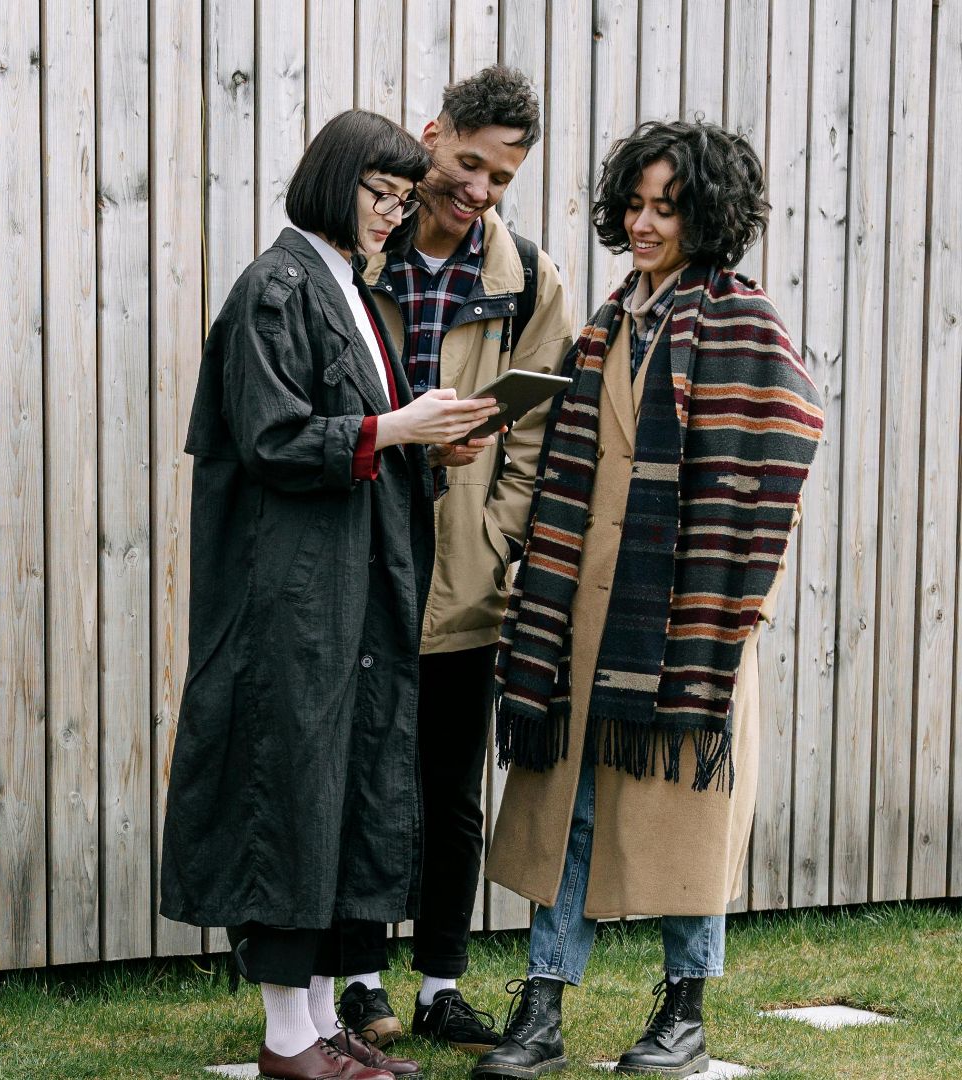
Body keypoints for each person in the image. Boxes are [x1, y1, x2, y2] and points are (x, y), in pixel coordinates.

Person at [473, 120, 825, 1079]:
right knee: (571, 813)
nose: (642, 222)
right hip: (584, 623)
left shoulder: (739, 321)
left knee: (686, 820)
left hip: (689, 628)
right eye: (633, 203)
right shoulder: (606, 325)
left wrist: (729, 595)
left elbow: (782, 447)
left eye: (665, 207)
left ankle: (684, 1014)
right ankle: (541, 1007)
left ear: (706, 215)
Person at [158, 108, 501, 1080]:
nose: (394, 213)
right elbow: (273, 437)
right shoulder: (276, 286)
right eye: (380, 193)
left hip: (344, 603)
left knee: (330, 806)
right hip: (287, 604)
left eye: (404, 198)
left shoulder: (346, 285)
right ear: (333, 181)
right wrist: (396, 430)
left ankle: (318, 1024)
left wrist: (428, 440)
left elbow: (359, 435)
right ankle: (286, 1043)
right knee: (286, 801)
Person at [336, 65, 576, 1057]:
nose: (477, 191)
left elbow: (542, 434)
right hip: (361, 565)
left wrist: (495, 536)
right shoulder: (359, 260)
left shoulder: (530, 279)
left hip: (469, 579)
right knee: (352, 778)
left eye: (501, 179)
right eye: (465, 164)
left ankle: (439, 983)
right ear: (431, 136)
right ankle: (354, 979)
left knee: (449, 788)